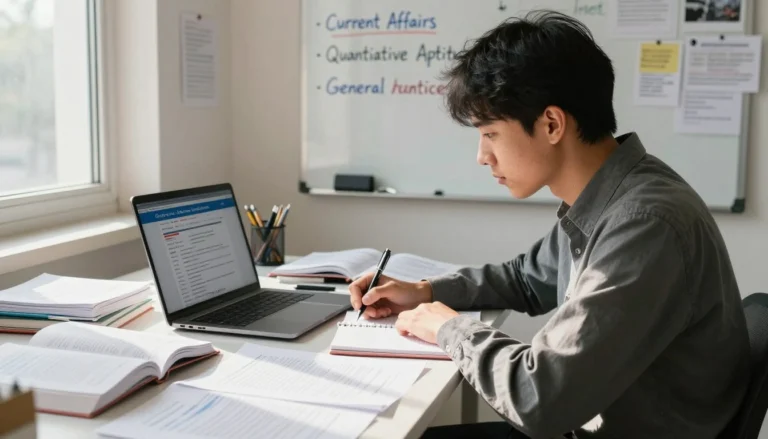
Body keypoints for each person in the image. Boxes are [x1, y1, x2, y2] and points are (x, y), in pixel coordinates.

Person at [349, 10, 750, 439]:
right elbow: (526, 278)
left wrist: (448, 327)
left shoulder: (644, 224)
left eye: (490, 134)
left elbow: (538, 398)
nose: (482, 156)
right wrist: (425, 292)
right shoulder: (611, 196)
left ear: (552, 124)